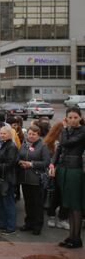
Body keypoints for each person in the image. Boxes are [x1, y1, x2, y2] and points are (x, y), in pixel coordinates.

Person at [51, 107, 85, 249]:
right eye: (70, 117)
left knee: (75, 205)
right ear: (66, 118)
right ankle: (72, 236)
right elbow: (59, 148)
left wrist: (64, 128)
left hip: (75, 170)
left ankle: (76, 239)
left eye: (75, 117)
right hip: (63, 169)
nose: (72, 120)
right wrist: (52, 163)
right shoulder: (67, 131)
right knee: (68, 204)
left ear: (80, 118)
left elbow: (66, 143)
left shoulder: (82, 131)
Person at [17, 125, 50, 235]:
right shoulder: (25, 143)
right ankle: (28, 223)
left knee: (37, 204)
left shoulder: (43, 145)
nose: (31, 136)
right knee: (28, 203)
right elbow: (20, 155)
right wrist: (20, 162)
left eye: (34, 134)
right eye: (29, 134)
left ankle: (37, 226)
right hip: (25, 178)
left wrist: (31, 164)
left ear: (38, 135)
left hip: (36, 179)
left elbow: (46, 163)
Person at [0, 125, 18, 235]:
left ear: (9, 134)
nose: (1, 135)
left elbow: (11, 163)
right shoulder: (2, 144)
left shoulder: (11, 146)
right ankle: (3, 224)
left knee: (8, 203)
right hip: (1, 178)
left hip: (8, 179)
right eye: (0, 133)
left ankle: (11, 227)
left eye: (4, 133)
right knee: (1, 203)